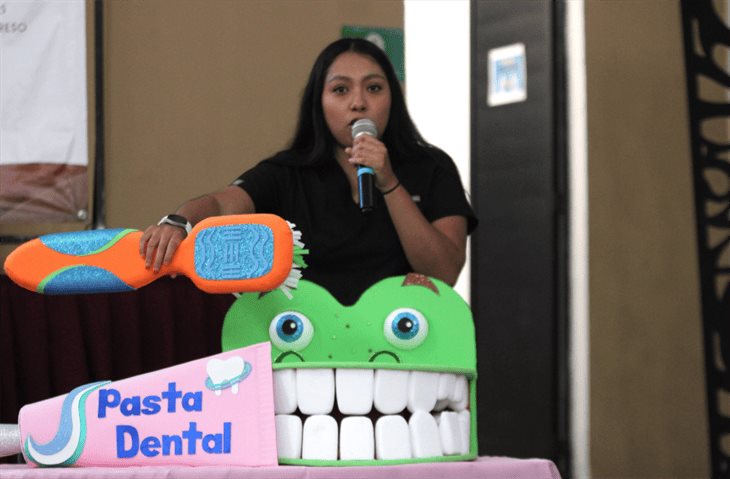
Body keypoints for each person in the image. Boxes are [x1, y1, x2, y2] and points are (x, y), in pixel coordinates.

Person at [140, 38, 477, 305]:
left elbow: (443, 272)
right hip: (310, 349)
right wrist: (179, 221)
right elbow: (222, 203)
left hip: (401, 348)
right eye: (340, 90)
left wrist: (388, 182)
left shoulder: (431, 167)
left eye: (374, 88)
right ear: (319, 102)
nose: (358, 103)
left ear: (393, 97)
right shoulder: (289, 172)